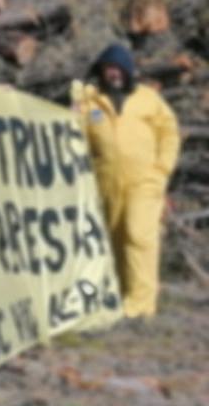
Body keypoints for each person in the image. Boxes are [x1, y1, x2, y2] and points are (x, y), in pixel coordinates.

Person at [73, 44, 180, 318]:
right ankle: (124, 296)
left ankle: (141, 304)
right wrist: (74, 109)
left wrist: (161, 170)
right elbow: (73, 134)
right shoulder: (91, 102)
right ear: (101, 71)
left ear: (129, 71)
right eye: (109, 69)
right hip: (106, 181)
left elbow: (169, 133)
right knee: (117, 238)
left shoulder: (147, 99)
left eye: (119, 68)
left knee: (138, 234)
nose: (115, 74)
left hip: (145, 180)